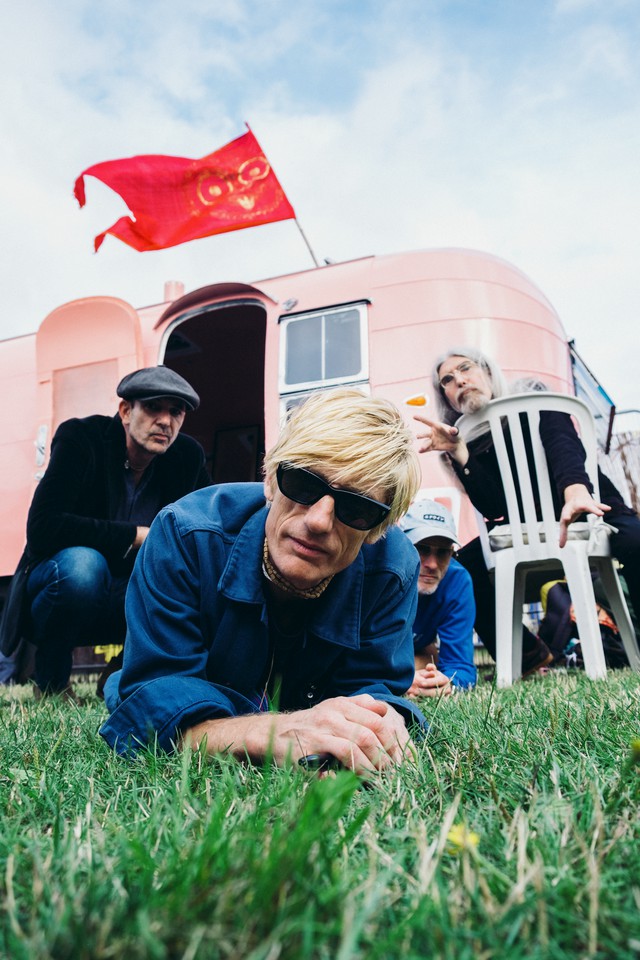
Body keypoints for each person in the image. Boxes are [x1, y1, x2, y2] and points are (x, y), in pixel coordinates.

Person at [100, 388, 427, 776]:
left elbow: (376, 692)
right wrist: (279, 731)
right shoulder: (184, 535)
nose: (319, 521)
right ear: (270, 479)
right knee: (123, 687)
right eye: (304, 485)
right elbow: (153, 704)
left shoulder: (393, 567)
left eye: (356, 507)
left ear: (378, 529)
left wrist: (381, 719)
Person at [414, 346, 640, 674]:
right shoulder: (459, 439)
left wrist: (575, 490)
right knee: (461, 568)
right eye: (447, 380)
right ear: (445, 396)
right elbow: (493, 508)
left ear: (488, 372)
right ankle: (529, 656)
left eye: (466, 369)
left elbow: (562, 443)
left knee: (634, 538)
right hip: (522, 529)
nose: (459, 381)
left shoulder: (534, 399)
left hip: (591, 506)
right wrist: (461, 453)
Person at [0, 366, 210, 696]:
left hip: (129, 591)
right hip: (60, 585)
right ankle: (51, 681)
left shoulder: (186, 457)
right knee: (83, 565)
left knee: (191, 574)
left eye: (176, 412)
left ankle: (121, 673)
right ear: (126, 411)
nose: (166, 422)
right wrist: (136, 536)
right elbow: (43, 526)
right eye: (154, 407)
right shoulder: (81, 438)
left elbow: (203, 529)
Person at [400, 498, 476, 697]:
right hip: (386, 654)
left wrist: (446, 683)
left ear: (452, 553)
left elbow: (461, 665)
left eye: (442, 552)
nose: (432, 564)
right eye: (422, 549)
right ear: (401, 546)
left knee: (431, 659)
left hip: (413, 649)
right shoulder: (383, 572)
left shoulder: (457, 580)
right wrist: (396, 677)